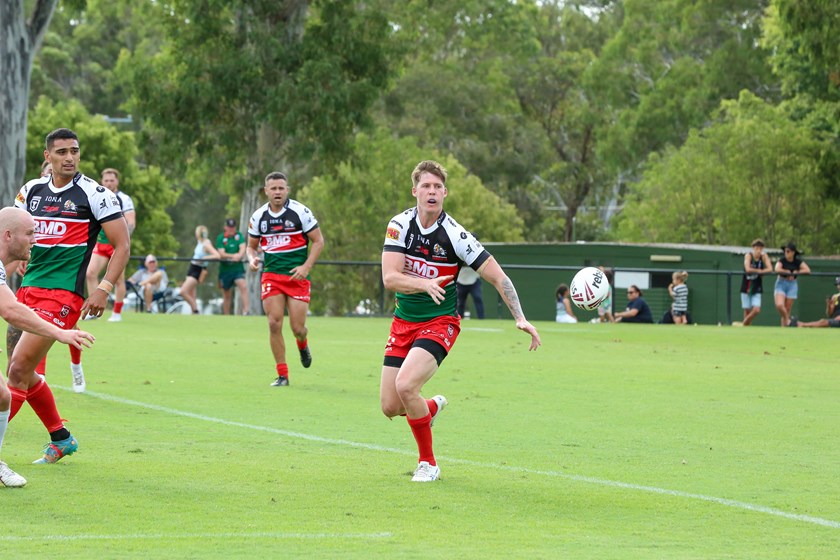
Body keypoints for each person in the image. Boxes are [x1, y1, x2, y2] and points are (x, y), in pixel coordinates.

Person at [380, 160, 541, 483]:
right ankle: (430, 409)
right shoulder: (399, 225)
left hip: (440, 322)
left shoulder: (456, 235)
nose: (432, 192)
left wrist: (521, 318)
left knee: (407, 385)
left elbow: (498, 276)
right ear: (415, 191)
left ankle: (428, 463)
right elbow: (390, 277)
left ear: (445, 193)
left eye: (438, 187)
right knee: (390, 406)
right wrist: (423, 284)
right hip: (403, 322)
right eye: (426, 186)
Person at [8, 127, 129, 464]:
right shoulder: (31, 191)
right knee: (21, 371)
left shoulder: (96, 194)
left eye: (74, 151)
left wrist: (104, 288)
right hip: (27, 290)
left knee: (17, 370)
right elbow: (16, 233)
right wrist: (20, 256)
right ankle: (61, 437)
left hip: (64, 296)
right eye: (61, 152)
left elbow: (122, 245)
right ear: (47, 156)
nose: (69, 158)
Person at [0, 208, 96, 486]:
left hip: (55, 296)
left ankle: (60, 437)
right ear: (8, 235)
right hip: (45, 294)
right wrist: (59, 333)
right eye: (30, 233)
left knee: (4, 394)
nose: (36, 239)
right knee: (16, 374)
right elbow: (10, 310)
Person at [246, 172, 325, 387]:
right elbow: (251, 247)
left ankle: (302, 344)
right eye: (274, 188)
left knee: (298, 328)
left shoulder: (300, 212)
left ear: (287, 189)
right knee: (274, 323)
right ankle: (282, 375)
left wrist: (306, 266)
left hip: (296, 277)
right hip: (272, 275)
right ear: (266, 191)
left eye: (281, 188)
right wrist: (252, 260)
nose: (278, 192)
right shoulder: (258, 217)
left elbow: (318, 241)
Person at [84, 168, 136, 322]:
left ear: (117, 182)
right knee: (90, 273)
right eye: (106, 180)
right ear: (102, 182)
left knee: (118, 279)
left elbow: (131, 222)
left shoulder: (124, 199)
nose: (108, 183)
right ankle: (94, 311)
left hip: (116, 245)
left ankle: (116, 313)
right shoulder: (97, 196)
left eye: (111, 180)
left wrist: (123, 242)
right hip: (101, 243)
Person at [180, 225, 220, 314]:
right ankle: (194, 314)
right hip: (192, 267)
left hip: (197, 270)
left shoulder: (206, 244)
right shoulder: (200, 242)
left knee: (183, 291)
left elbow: (217, 255)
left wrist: (205, 258)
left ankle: (195, 309)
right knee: (192, 293)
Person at [215, 218, 250, 315]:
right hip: (225, 270)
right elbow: (221, 253)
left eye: (233, 227)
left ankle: (246, 311)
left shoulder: (239, 236)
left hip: (237, 269)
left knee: (243, 286)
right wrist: (233, 256)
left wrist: (239, 255)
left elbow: (243, 247)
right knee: (227, 294)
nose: (231, 229)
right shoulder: (221, 238)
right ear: (225, 227)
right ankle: (226, 315)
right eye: (229, 227)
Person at [774, 242, 810, 326]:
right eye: (785, 251)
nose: (786, 253)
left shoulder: (797, 262)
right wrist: (786, 271)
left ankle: (785, 328)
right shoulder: (782, 260)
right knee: (779, 305)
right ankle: (788, 320)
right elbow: (777, 269)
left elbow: (807, 270)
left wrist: (797, 272)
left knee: (787, 308)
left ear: (793, 252)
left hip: (792, 284)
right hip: (781, 282)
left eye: (788, 251)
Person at [740, 239, 773, 326]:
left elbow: (770, 269)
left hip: (757, 285)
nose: (758, 250)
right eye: (757, 248)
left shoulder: (763, 256)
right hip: (746, 285)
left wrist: (760, 271)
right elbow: (747, 269)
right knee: (747, 309)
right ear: (753, 248)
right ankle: (747, 327)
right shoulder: (748, 256)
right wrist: (760, 271)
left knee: (756, 309)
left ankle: (744, 323)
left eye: (760, 248)